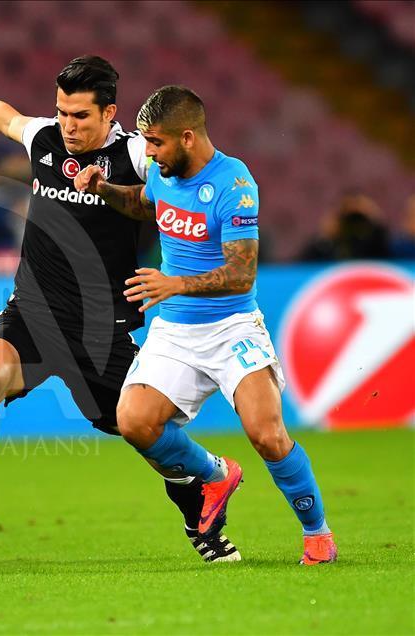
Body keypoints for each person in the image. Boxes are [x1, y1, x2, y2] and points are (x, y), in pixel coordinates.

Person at [0, 56, 241, 565]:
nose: (68, 125)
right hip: (32, 315)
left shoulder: (136, 155)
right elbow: (9, 118)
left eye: (81, 116)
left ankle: (202, 519)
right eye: (62, 112)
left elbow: (187, 171)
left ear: (110, 113)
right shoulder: (44, 139)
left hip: (100, 331)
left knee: (144, 432)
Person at [74, 85, 338, 565]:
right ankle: (217, 474)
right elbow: (146, 203)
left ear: (188, 138)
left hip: (232, 327)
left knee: (267, 434)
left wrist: (176, 283)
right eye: (146, 141)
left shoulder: (234, 183)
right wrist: (105, 190)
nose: (148, 153)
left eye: (156, 142)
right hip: (176, 331)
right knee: (133, 421)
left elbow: (241, 273)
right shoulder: (163, 173)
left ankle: (317, 532)